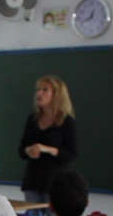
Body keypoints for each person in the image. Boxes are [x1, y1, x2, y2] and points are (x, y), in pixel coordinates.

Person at [18, 75, 77, 203]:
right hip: (32, 181)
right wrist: (29, 150)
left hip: (55, 182)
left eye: (45, 90)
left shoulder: (66, 121)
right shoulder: (32, 119)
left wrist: (48, 149)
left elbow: (71, 154)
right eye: (38, 89)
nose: (39, 93)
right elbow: (21, 149)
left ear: (56, 95)